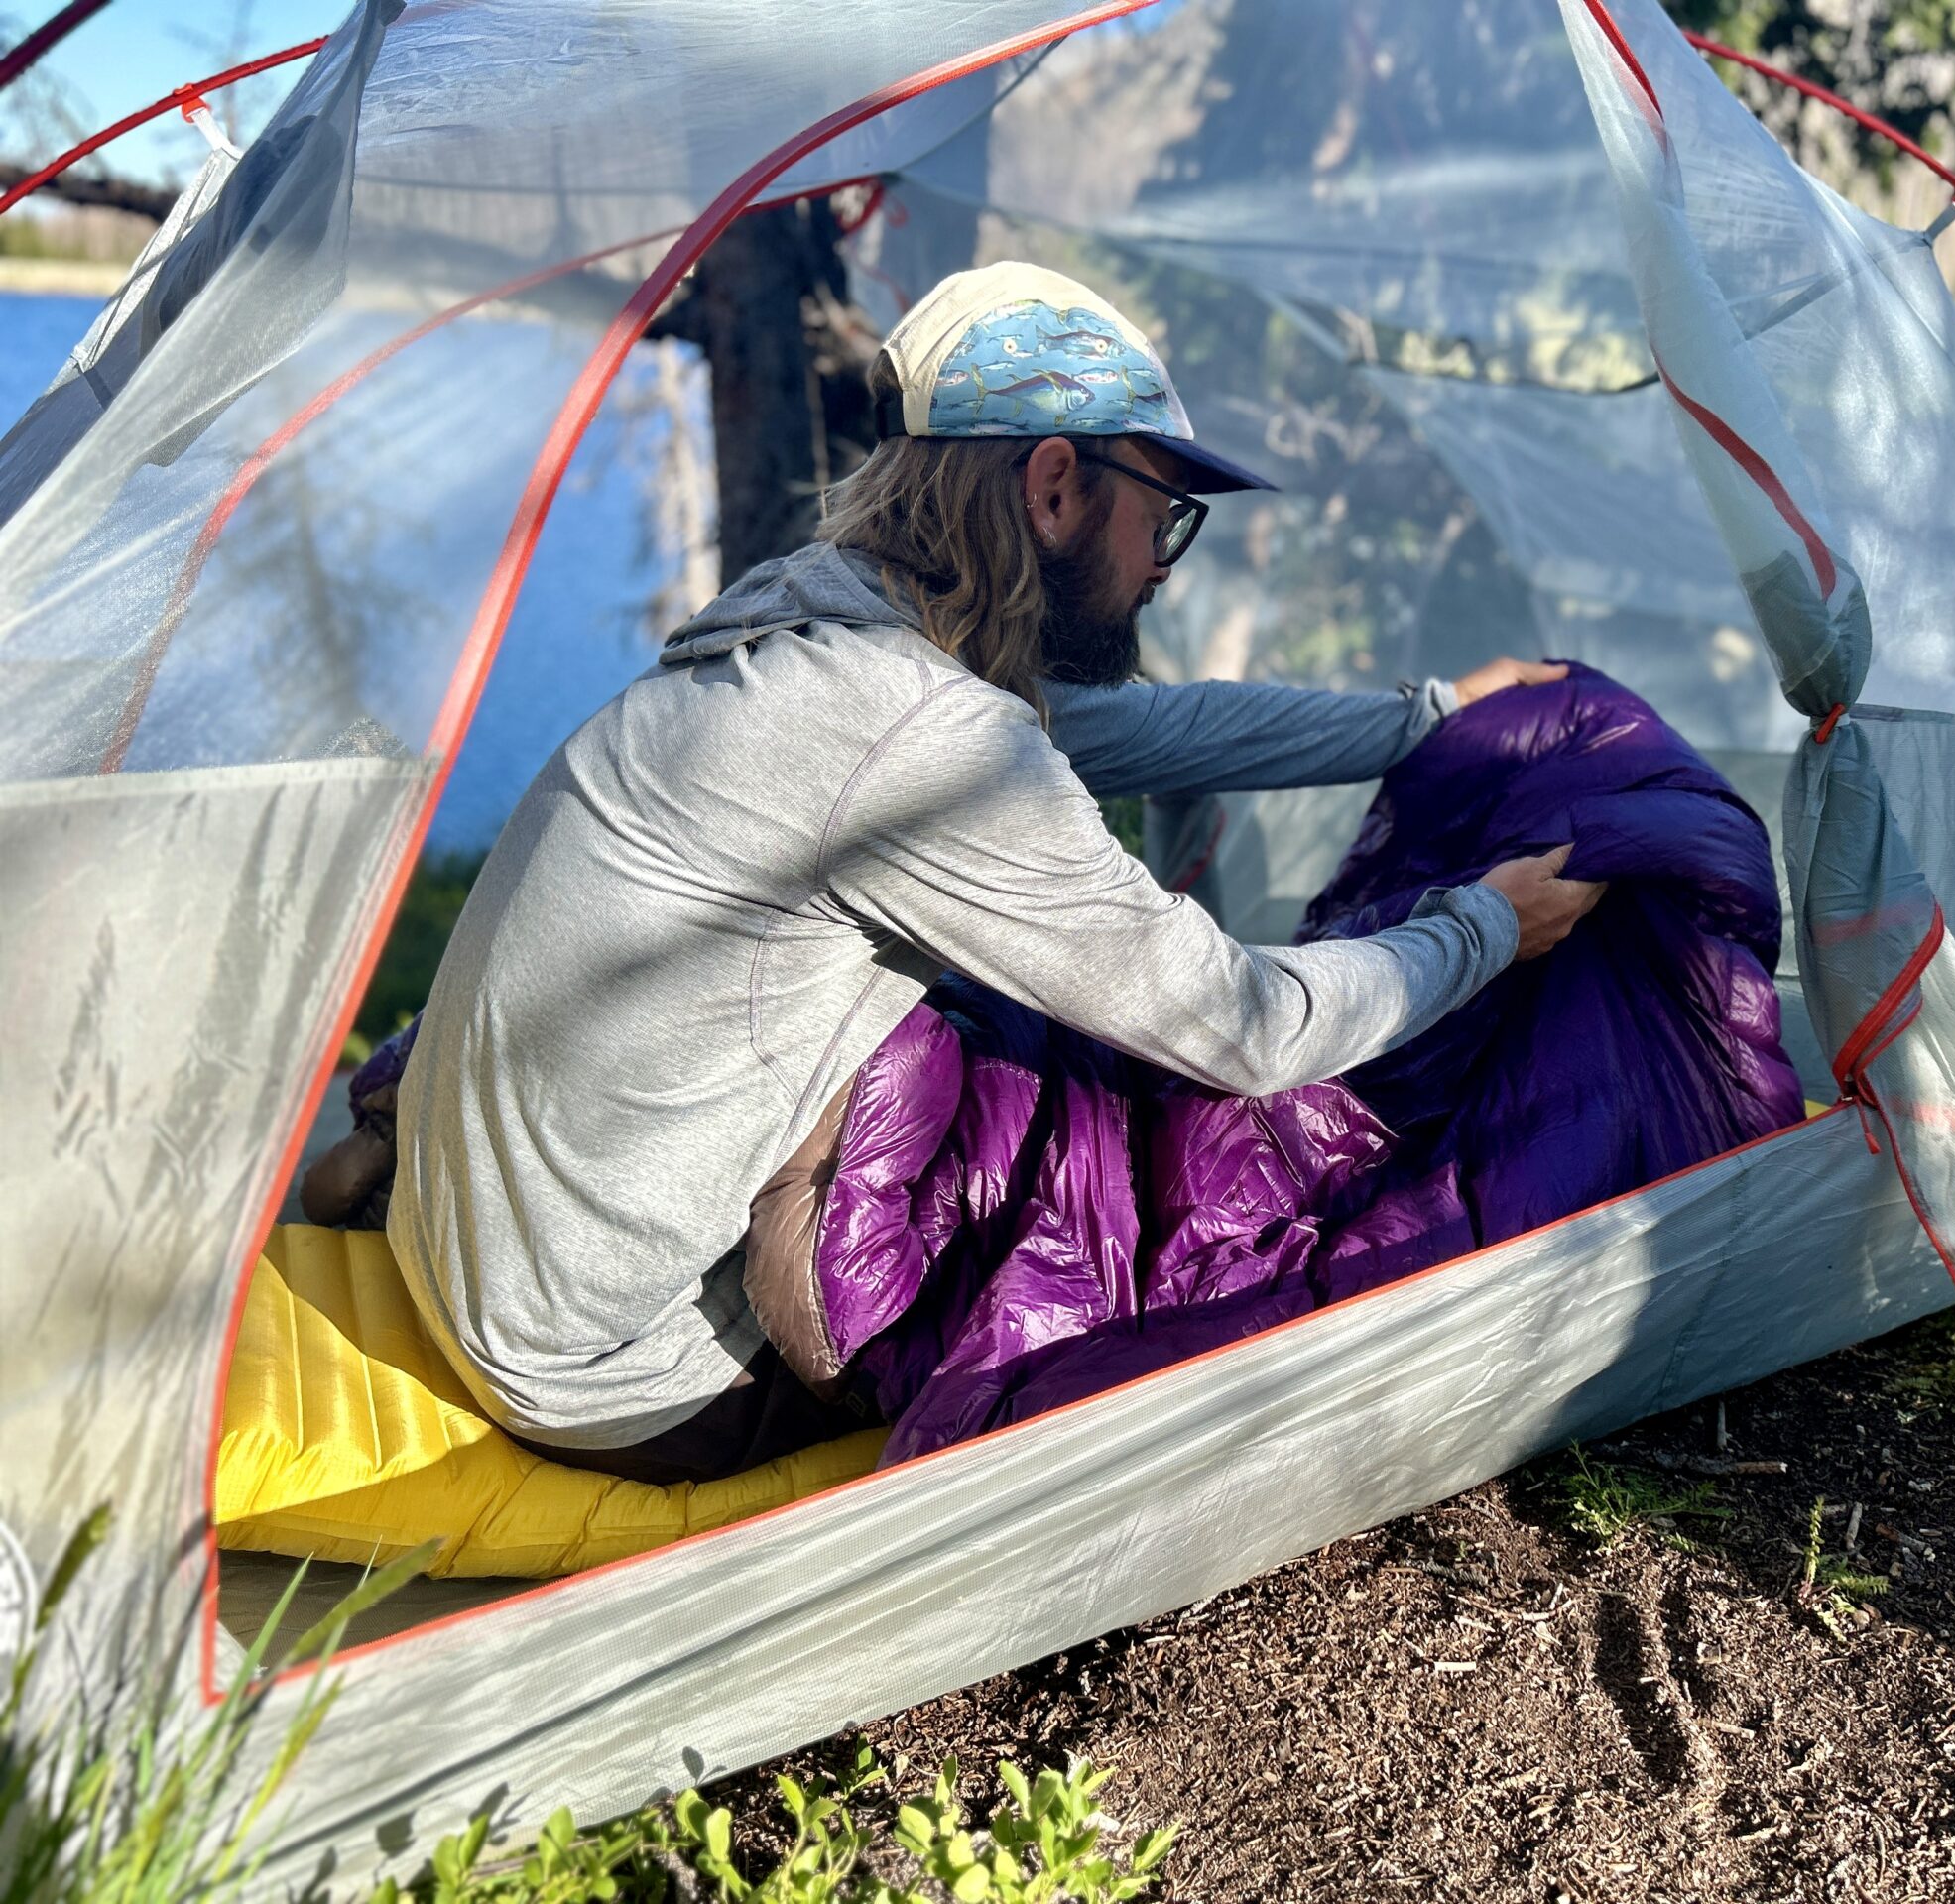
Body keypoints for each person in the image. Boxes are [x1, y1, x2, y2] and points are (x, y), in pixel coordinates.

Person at [387, 263, 1605, 1484]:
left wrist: (1424, 718)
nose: (1166, 561)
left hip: (492, 1275)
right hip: (625, 1374)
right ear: (1056, 485)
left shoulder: (807, 634)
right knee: (1115, 1159)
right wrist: (1488, 926)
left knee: (998, 1026)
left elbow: (1165, 730)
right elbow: (1247, 1029)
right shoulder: (916, 734)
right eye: (1163, 513)